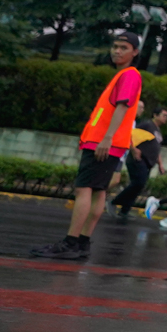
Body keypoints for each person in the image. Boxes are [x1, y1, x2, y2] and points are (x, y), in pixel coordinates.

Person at [30, 34, 142, 260]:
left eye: (124, 47)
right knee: (98, 191)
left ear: (135, 52)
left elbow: (122, 107)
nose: (117, 51)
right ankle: (82, 243)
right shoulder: (122, 75)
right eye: (115, 46)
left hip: (103, 142)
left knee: (84, 190)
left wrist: (107, 138)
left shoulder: (129, 74)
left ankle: (70, 243)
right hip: (106, 142)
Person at [112, 107, 167, 219]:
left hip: (148, 162)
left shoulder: (158, 131)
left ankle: (124, 211)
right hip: (138, 159)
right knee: (138, 183)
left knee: (139, 186)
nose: (165, 118)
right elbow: (131, 135)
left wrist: (160, 164)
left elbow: (157, 149)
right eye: (163, 115)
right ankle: (115, 201)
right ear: (155, 115)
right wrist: (133, 149)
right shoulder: (147, 125)